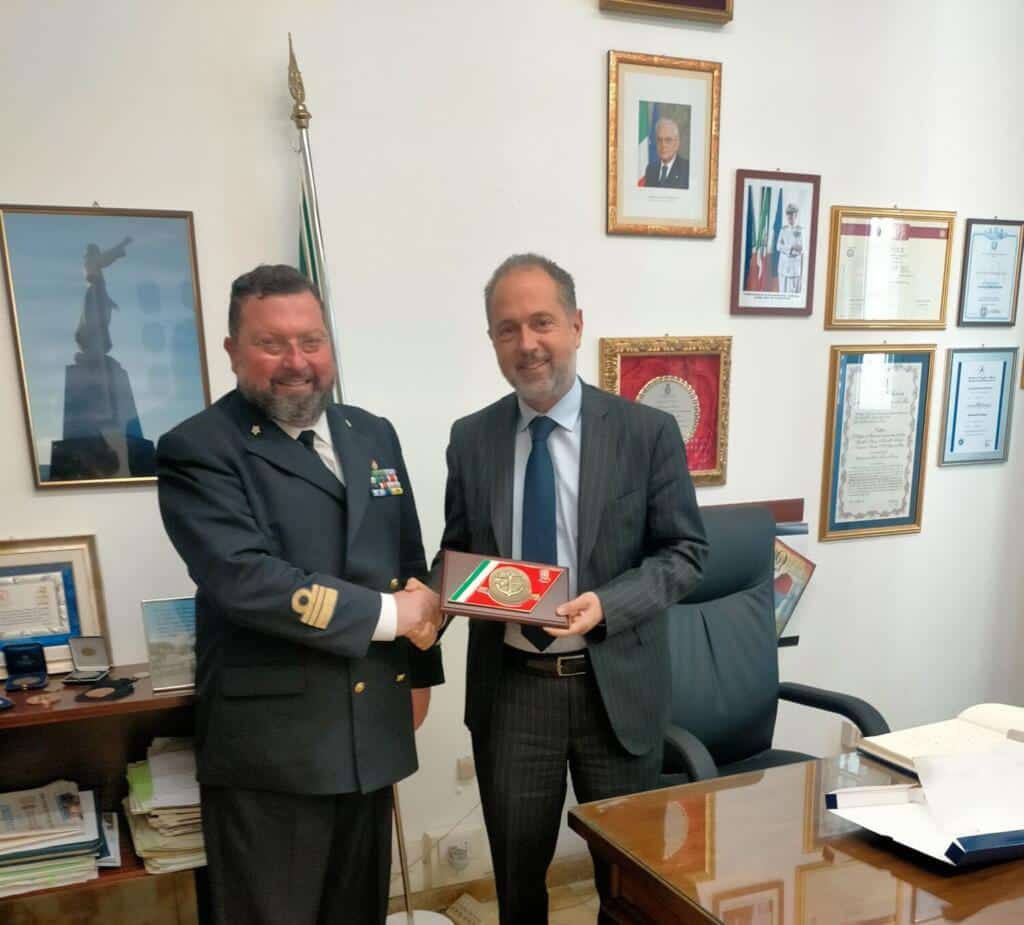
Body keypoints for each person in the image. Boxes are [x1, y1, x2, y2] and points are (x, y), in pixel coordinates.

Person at [157, 264, 443, 925]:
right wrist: (389, 615)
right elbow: (246, 579)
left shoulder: (372, 432)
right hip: (273, 754)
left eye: (311, 341)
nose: (297, 362)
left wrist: (420, 671)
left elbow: (406, 563)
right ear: (232, 350)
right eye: (272, 343)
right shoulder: (198, 449)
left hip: (371, 732)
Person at [433, 254, 708, 923]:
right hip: (512, 693)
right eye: (507, 329)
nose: (526, 343)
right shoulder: (471, 439)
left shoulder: (646, 433)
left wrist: (608, 604)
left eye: (542, 322)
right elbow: (458, 553)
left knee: (628, 882)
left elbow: (686, 553)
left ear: (576, 325)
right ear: (492, 340)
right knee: (518, 882)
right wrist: (422, 606)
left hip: (614, 691)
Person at [642, 117, 690, 189]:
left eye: (668, 140)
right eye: (659, 140)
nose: (663, 145)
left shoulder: (687, 170)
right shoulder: (651, 169)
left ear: (677, 143)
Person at [775, 203, 804, 293]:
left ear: (796, 215)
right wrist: (791, 247)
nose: (790, 218)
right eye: (788, 216)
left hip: (794, 268)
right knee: (782, 292)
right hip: (783, 266)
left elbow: (801, 249)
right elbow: (778, 246)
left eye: (792, 216)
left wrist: (786, 249)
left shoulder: (800, 230)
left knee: (792, 293)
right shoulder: (783, 230)